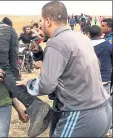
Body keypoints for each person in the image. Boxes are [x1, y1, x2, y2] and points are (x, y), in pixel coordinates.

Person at [16, 1, 112, 137]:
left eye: (41, 20)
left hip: (81, 115)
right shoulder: (81, 38)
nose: (41, 24)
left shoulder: (56, 42)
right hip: (104, 111)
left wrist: (29, 84)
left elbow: (46, 86)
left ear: (48, 21)